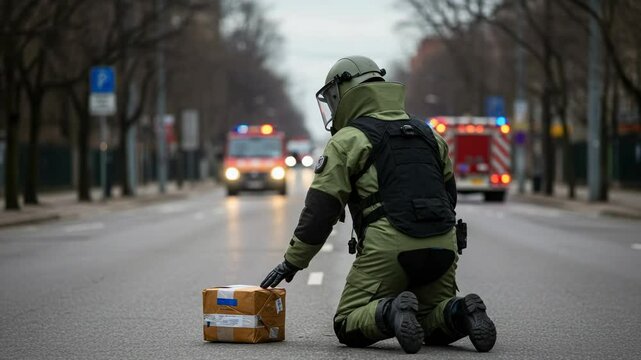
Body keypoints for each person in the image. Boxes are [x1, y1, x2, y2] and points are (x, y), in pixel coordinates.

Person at [260, 55, 496, 354]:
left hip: (389, 245)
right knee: (429, 316)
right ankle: (462, 312)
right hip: (443, 245)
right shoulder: (429, 135)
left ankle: (391, 312)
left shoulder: (348, 140)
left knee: (347, 322)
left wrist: (292, 262)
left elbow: (321, 211)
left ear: (342, 94)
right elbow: (449, 197)